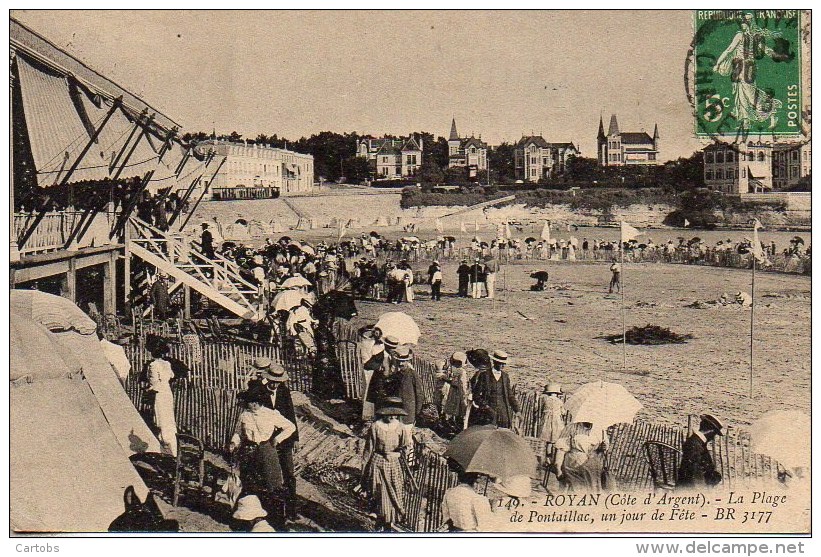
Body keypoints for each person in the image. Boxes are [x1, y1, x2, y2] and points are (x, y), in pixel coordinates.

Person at [229, 383, 296, 523]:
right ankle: (249, 517)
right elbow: (238, 432)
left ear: (259, 402)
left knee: (273, 485)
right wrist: (234, 442)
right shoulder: (244, 415)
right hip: (248, 450)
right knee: (249, 484)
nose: (251, 405)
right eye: (249, 402)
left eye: (254, 402)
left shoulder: (270, 414)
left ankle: (276, 519)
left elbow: (290, 427)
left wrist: (277, 439)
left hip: (266, 450)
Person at [246, 358, 300, 521]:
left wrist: (295, 437)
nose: (274, 385)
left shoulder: (284, 391)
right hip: (267, 439)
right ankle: (268, 509)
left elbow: (290, 413)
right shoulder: (258, 391)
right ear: (267, 377)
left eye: (278, 382)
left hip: (284, 439)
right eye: (272, 381)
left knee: (289, 473)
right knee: (268, 475)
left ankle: (291, 509)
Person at [361, 398, 411, 531]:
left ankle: (388, 525)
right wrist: (364, 472)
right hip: (378, 464)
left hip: (393, 464)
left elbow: (405, 447)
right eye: (389, 414)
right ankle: (379, 523)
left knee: (394, 492)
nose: (392, 417)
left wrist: (397, 454)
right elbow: (368, 450)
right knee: (379, 494)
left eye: (394, 414)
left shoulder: (400, 427)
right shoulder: (376, 426)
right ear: (383, 413)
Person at [470, 350, 520, 429]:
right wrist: (485, 407)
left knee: (503, 434)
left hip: (503, 412)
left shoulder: (505, 376)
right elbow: (476, 396)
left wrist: (517, 410)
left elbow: (510, 395)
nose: (503, 365)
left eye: (504, 363)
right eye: (501, 363)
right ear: (494, 362)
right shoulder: (485, 375)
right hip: (488, 411)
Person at [145, 338, 178, 457]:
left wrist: (148, 389)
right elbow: (171, 375)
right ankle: (172, 448)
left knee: (161, 420)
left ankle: (167, 449)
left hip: (159, 394)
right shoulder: (167, 364)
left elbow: (154, 383)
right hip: (167, 392)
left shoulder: (153, 365)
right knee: (168, 419)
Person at [554, 422, 608, 492]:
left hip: (592, 469)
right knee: (574, 492)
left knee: (591, 494)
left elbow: (604, 448)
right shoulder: (572, 427)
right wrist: (558, 467)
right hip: (573, 467)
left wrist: (603, 447)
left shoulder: (600, 430)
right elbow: (561, 449)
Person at [441, 459, 493, 532]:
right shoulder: (478, 499)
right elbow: (486, 528)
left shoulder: (449, 493)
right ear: (475, 479)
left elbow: (446, 519)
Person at [677, 414, 724, 489]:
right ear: (710, 430)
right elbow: (693, 472)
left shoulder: (697, 442)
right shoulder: (695, 444)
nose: (712, 438)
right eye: (714, 434)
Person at [441, 351, 471, 432]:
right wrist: (464, 395)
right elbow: (462, 385)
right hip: (459, 393)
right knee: (460, 410)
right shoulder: (462, 372)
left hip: (453, 391)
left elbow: (450, 379)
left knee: (453, 409)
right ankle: (457, 428)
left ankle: (451, 424)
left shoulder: (454, 369)